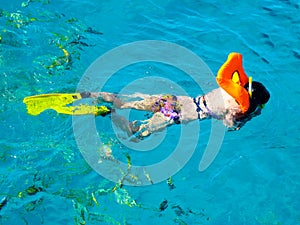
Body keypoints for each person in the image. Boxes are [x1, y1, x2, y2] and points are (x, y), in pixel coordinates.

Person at [88, 52, 270, 139]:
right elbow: (228, 124)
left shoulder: (233, 88)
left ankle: (93, 95)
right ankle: (108, 113)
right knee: (136, 134)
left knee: (128, 101)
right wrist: (240, 120)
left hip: (175, 100)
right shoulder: (241, 107)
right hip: (176, 116)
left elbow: (230, 68)